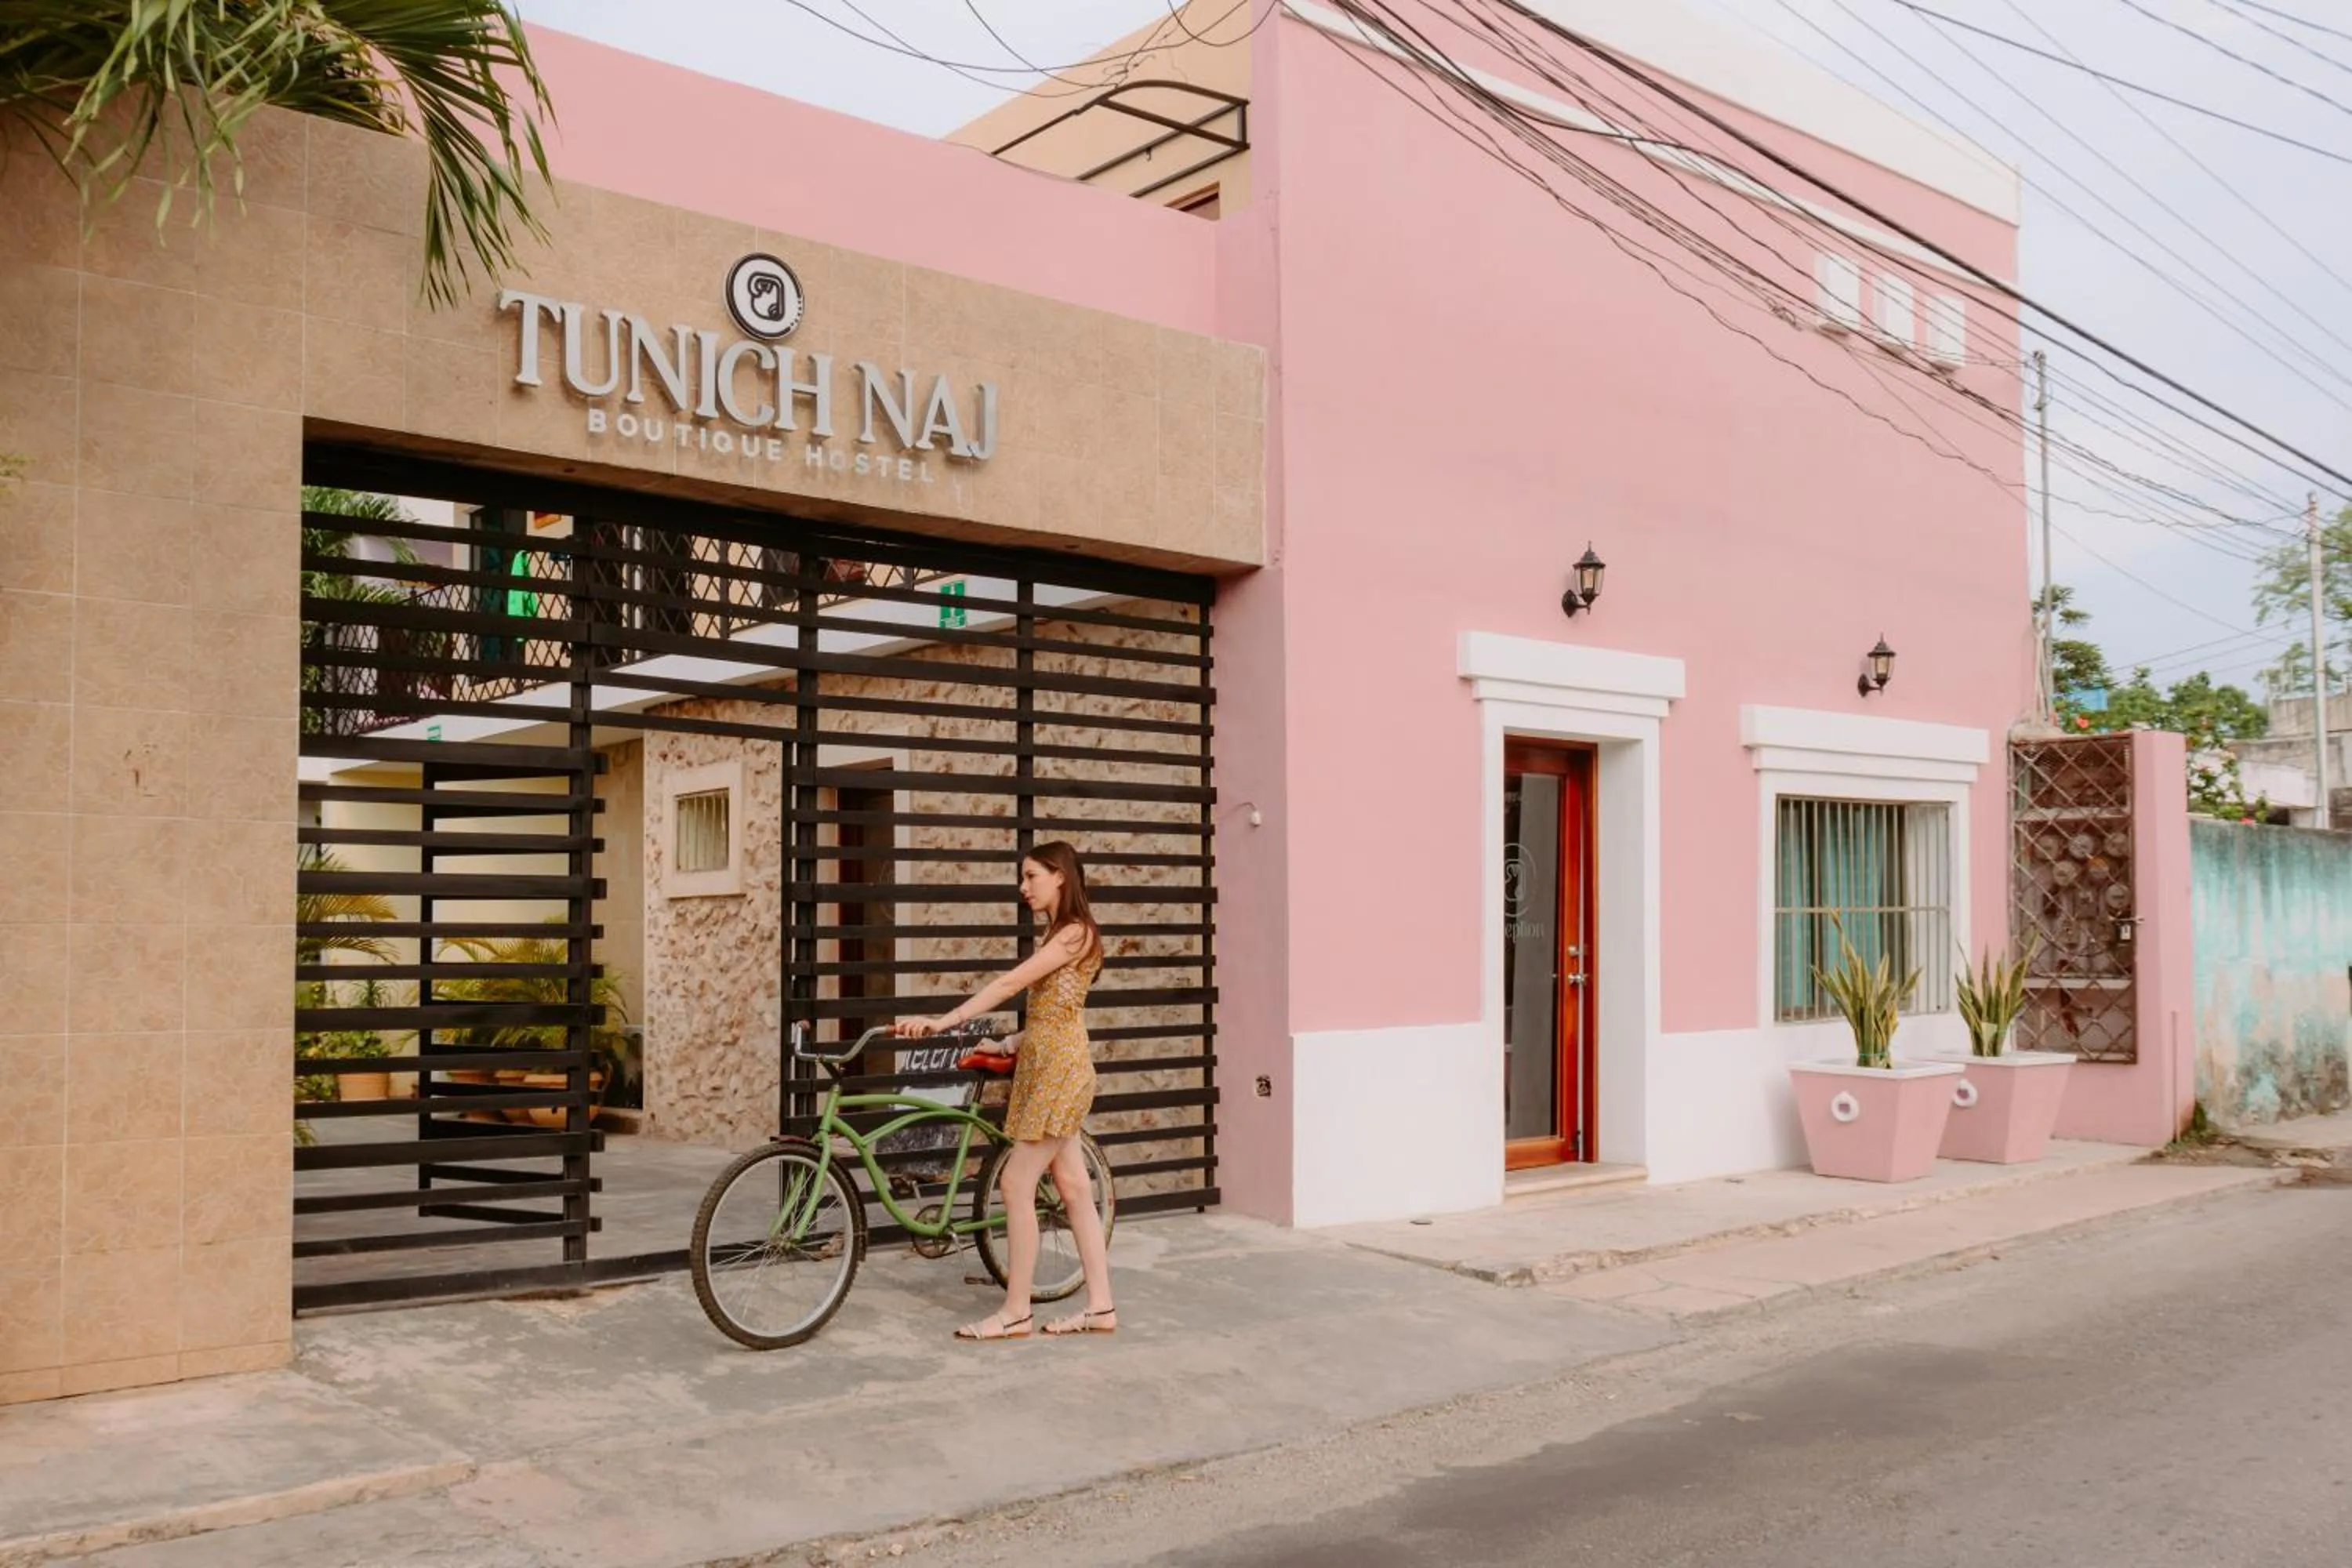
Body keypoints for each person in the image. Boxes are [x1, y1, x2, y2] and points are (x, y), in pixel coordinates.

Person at [895, 841, 1115, 1341]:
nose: (1023, 887)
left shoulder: (1075, 933)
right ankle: (1101, 1307)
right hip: (1046, 1067)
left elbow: (1008, 985)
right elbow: (1055, 1015)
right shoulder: (1059, 934)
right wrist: (1008, 1042)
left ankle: (1016, 1312)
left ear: (1060, 876)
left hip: (1060, 1074)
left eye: (1031, 876)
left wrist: (944, 1022)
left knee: (1016, 1183)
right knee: (1074, 1188)